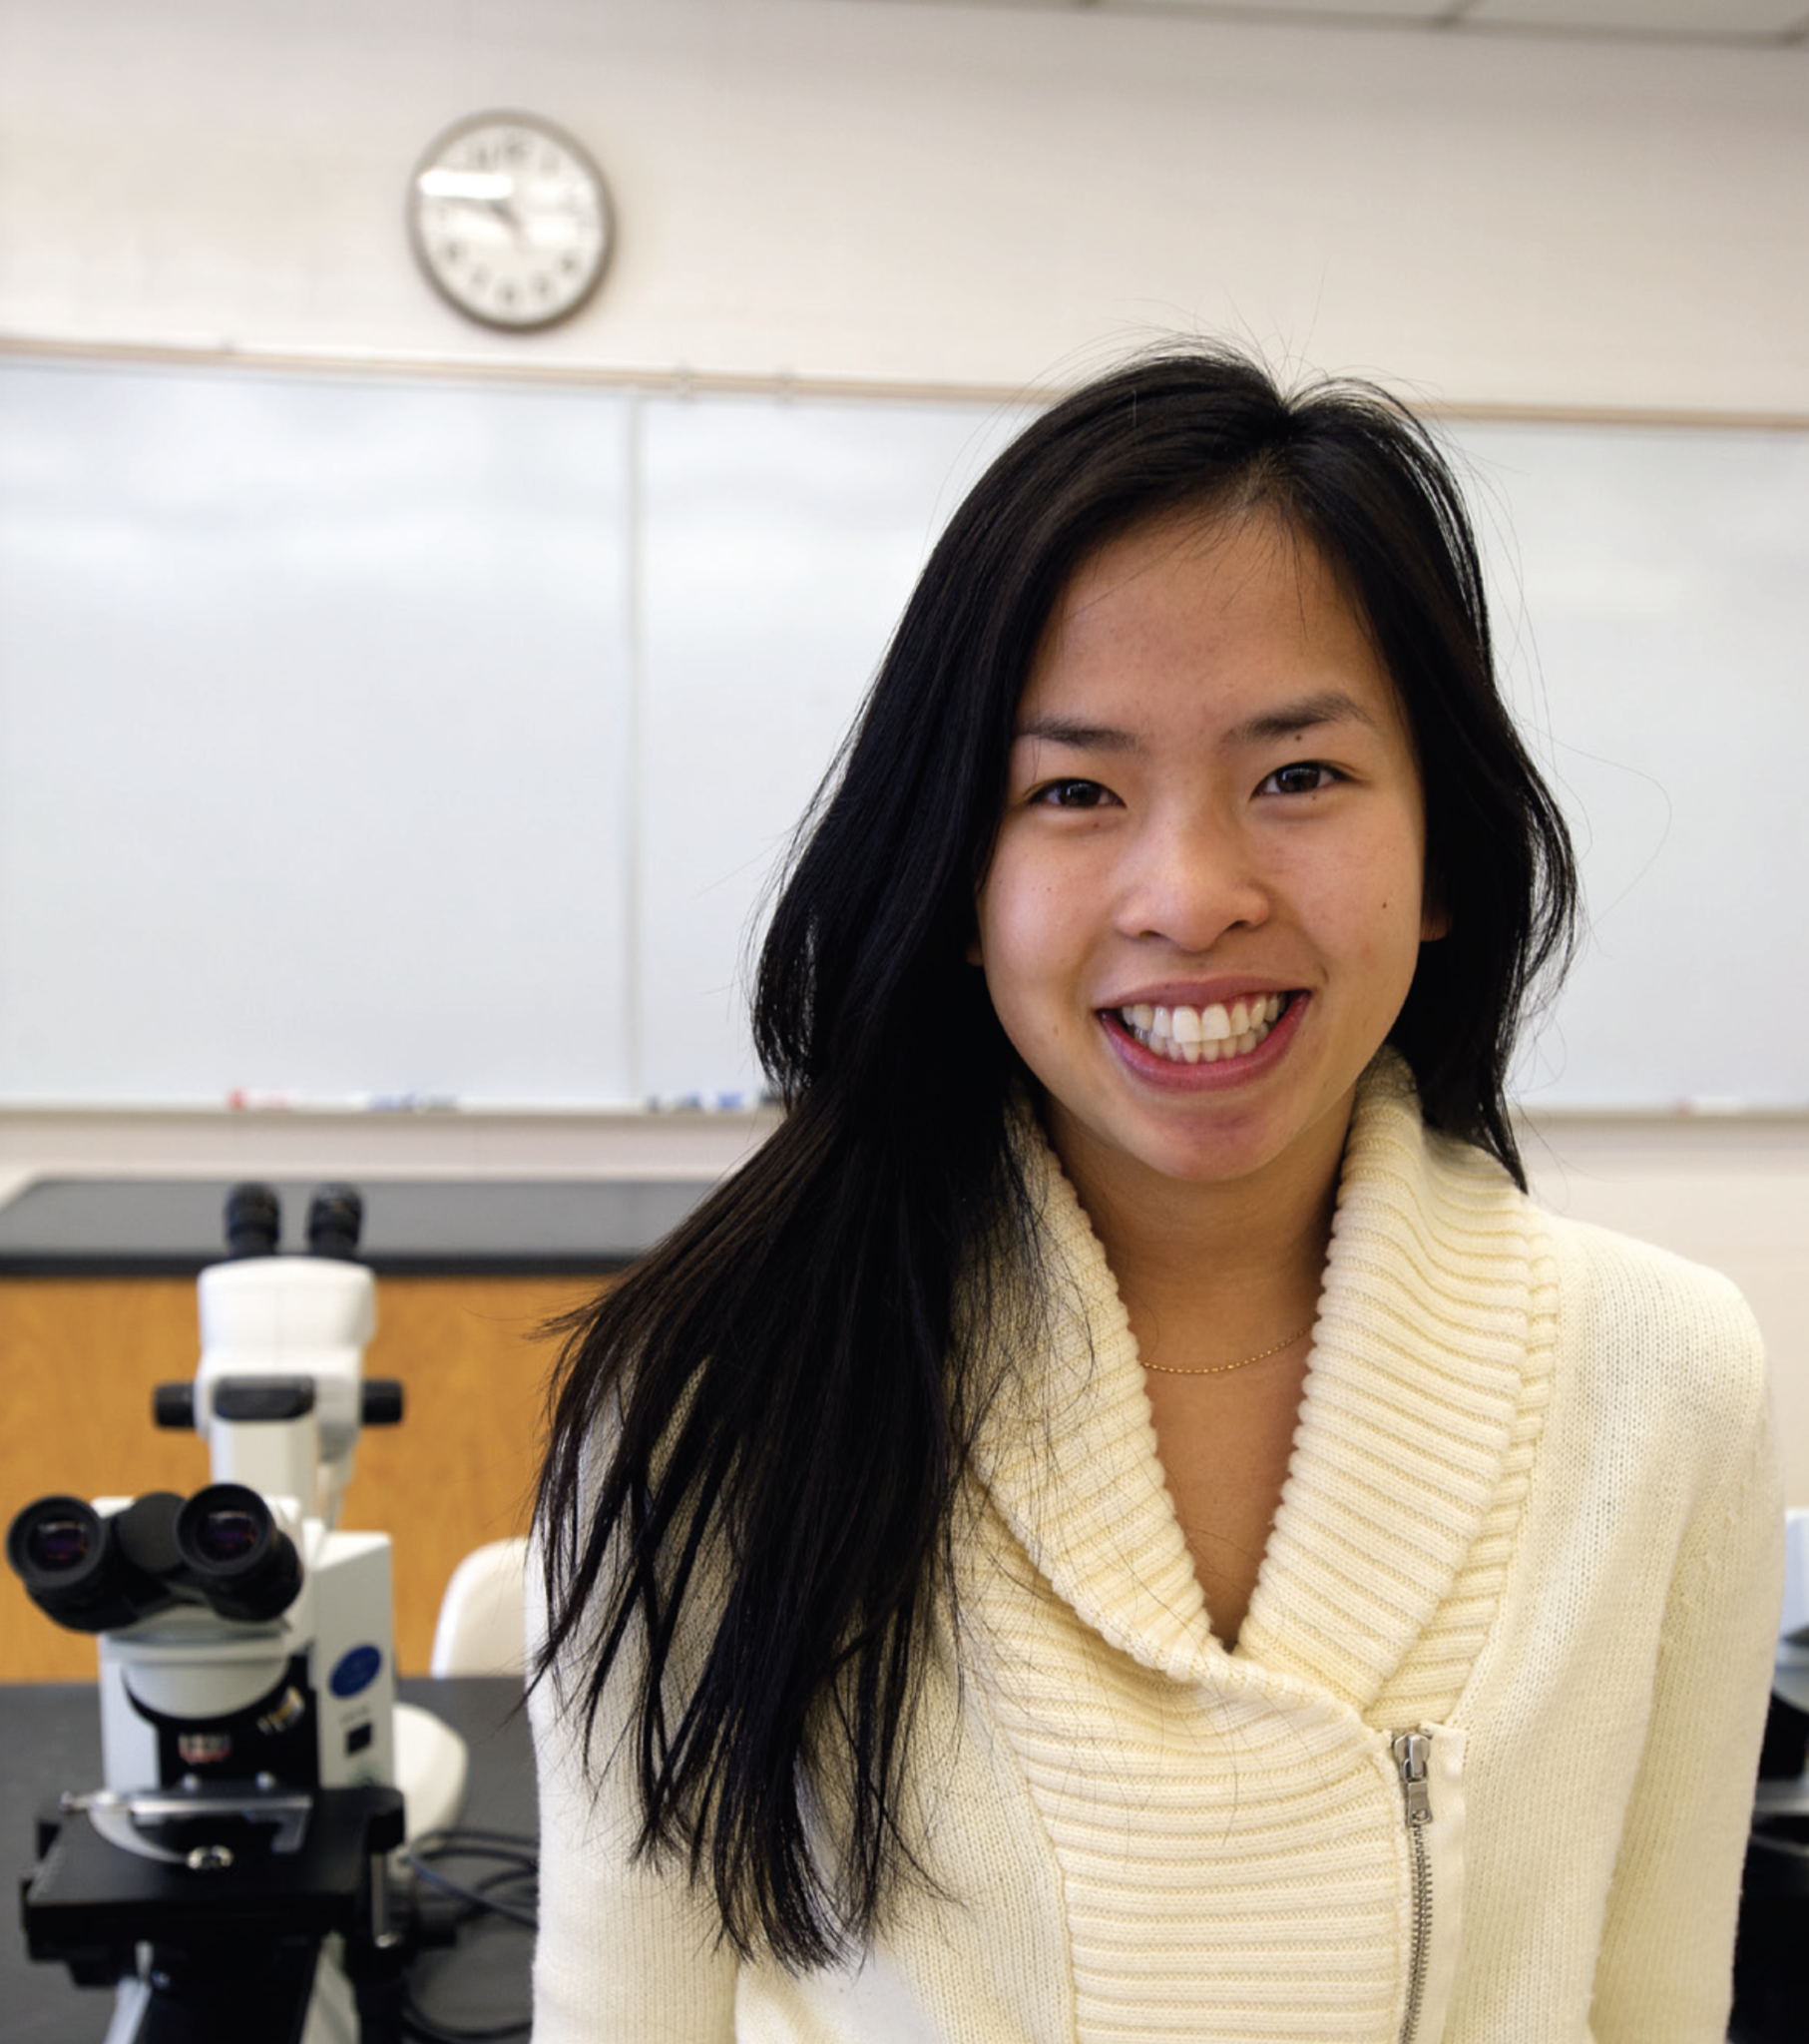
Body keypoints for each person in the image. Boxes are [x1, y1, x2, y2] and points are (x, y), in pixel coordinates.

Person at [528, 348, 1781, 2043]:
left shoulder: (1668, 1378)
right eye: (1073, 793)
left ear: (1443, 858)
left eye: (1298, 776)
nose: (1189, 898)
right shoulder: (713, 1396)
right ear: (955, 879)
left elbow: (1653, 2010)